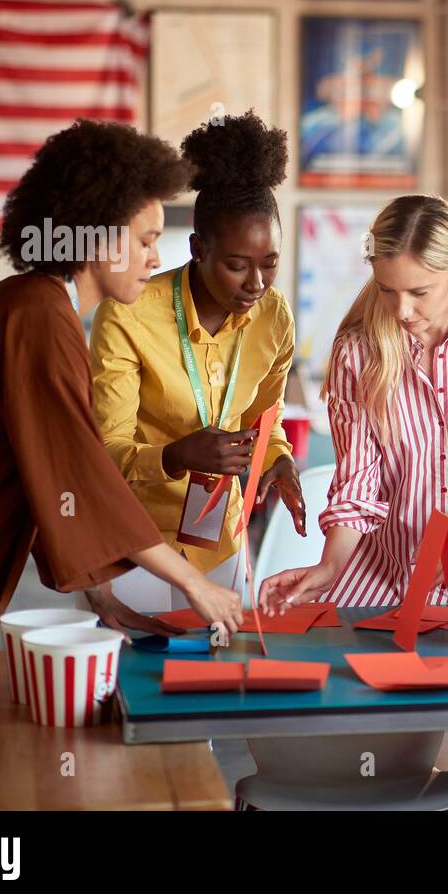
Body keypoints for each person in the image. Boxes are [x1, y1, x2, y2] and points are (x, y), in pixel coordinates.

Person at [0, 120, 243, 809]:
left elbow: (45, 473)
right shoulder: (40, 315)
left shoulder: (41, 309)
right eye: (146, 239)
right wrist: (196, 583)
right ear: (97, 236)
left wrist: (101, 591)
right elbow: (81, 472)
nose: (154, 258)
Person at [258, 195, 448, 810]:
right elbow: (358, 481)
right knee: (365, 747)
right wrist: (330, 565)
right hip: (385, 582)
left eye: (419, 291)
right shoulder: (360, 349)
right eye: (388, 290)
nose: (402, 309)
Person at [90, 112, 304, 611]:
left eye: (270, 263)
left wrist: (282, 461)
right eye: (236, 265)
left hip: (219, 542)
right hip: (134, 545)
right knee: (135, 680)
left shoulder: (275, 319)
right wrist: (174, 456)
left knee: (222, 674)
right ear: (197, 249)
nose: (256, 284)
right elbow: (104, 451)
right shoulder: (129, 313)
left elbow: (263, 424)